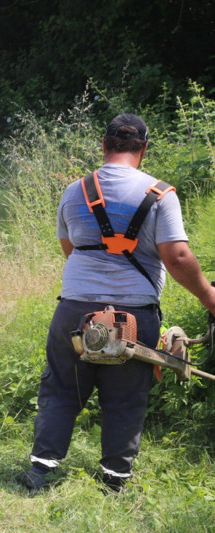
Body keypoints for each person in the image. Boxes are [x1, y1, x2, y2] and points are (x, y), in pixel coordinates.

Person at [19, 114, 215, 494]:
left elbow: (69, 249)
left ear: (104, 145)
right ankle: (114, 482)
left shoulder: (75, 191)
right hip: (134, 315)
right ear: (143, 149)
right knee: (125, 397)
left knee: (61, 388)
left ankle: (40, 472)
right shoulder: (160, 195)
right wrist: (210, 297)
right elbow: (176, 258)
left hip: (74, 309)